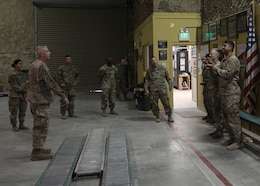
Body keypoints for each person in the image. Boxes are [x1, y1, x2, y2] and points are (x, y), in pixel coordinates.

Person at [27, 46, 69, 161]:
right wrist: (62, 95)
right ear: (41, 54)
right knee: (40, 125)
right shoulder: (41, 66)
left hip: (35, 99)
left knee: (40, 124)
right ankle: (36, 152)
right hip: (40, 100)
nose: (50, 53)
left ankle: (39, 148)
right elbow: (50, 82)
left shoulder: (33, 64)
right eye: (47, 51)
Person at [207, 40, 242, 150]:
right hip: (224, 92)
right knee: (227, 118)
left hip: (232, 93)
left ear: (230, 48)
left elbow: (227, 74)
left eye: (224, 45)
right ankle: (232, 138)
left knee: (233, 118)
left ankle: (238, 141)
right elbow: (218, 75)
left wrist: (216, 68)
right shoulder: (224, 60)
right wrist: (212, 68)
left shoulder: (233, 60)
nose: (222, 47)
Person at [144, 56, 173, 122]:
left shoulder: (163, 69)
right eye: (152, 61)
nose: (154, 62)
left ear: (157, 61)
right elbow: (147, 80)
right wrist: (146, 89)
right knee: (154, 104)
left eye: (155, 60)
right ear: (151, 62)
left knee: (166, 103)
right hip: (153, 90)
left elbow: (168, 78)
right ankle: (157, 116)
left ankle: (169, 116)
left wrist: (170, 85)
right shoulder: (150, 71)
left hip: (163, 89)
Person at [54, 55, 80, 119]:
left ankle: (71, 113)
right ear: (65, 60)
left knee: (71, 100)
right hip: (64, 87)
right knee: (63, 100)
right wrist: (61, 83)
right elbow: (56, 77)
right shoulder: (61, 68)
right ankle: (63, 114)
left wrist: (75, 82)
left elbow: (77, 75)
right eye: (67, 59)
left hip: (71, 87)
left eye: (70, 59)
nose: (68, 60)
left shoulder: (73, 68)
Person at [207, 49, 224, 138]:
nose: (210, 55)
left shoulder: (219, 65)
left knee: (218, 111)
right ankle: (217, 129)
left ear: (217, 56)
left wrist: (212, 68)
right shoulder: (212, 65)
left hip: (216, 91)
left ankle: (220, 130)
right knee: (214, 110)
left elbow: (218, 77)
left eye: (212, 54)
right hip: (211, 90)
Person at [8, 59, 29, 131]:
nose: (21, 65)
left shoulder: (23, 73)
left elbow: (26, 83)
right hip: (15, 95)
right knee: (14, 111)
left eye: (22, 64)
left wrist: (25, 91)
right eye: (19, 64)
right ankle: (14, 125)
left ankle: (21, 124)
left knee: (23, 110)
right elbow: (14, 85)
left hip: (23, 95)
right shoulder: (12, 74)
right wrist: (21, 90)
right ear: (15, 65)